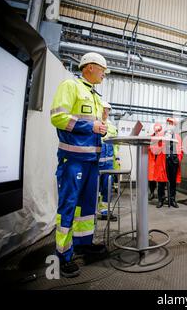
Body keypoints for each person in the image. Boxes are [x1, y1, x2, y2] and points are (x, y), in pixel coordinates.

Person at [50, 52, 109, 278]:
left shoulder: (94, 94)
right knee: (68, 206)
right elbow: (57, 117)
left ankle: (83, 243)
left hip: (91, 161)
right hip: (73, 160)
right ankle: (63, 254)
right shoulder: (70, 86)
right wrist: (90, 127)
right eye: (102, 69)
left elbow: (95, 125)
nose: (104, 74)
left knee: (86, 207)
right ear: (90, 67)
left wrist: (101, 128)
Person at [154, 118, 183, 208]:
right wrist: (162, 141)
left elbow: (181, 149)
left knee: (173, 181)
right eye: (169, 123)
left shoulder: (177, 136)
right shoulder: (160, 135)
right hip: (163, 159)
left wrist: (179, 158)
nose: (170, 125)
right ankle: (161, 200)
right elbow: (154, 148)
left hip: (173, 160)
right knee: (161, 181)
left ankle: (172, 199)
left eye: (172, 123)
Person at [97, 101, 118, 221]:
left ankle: (105, 211)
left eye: (107, 110)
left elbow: (115, 146)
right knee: (95, 189)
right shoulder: (94, 123)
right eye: (103, 109)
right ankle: (93, 211)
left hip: (109, 163)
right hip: (96, 163)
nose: (105, 112)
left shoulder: (112, 127)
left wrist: (117, 158)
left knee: (107, 188)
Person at [148, 123, 162, 201]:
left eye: (159, 130)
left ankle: (160, 194)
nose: (158, 131)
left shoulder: (162, 138)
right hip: (153, 159)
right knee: (151, 178)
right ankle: (152, 192)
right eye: (157, 130)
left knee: (160, 178)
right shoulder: (150, 137)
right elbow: (148, 147)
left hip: (160, 160)